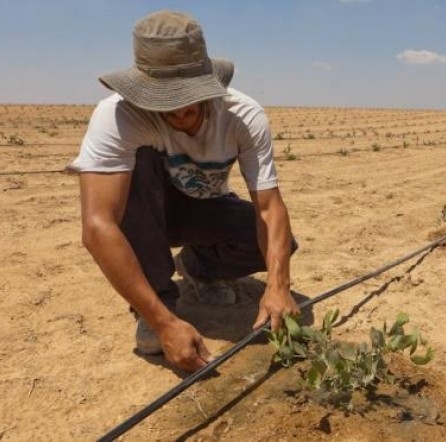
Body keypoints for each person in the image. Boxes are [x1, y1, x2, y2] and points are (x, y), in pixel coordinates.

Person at [68, 10, 300, 372]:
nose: (180, 110)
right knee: (138, 166)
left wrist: (279, 284)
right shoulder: (117, 117)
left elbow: (269, 209)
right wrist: (163, 323)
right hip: (143, 212)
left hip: (202, 206)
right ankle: (157, 302)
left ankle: (199, 268)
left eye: (190, 97)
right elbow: (99, 226)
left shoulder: (243, 115)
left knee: (277, 244)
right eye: (165, 100)